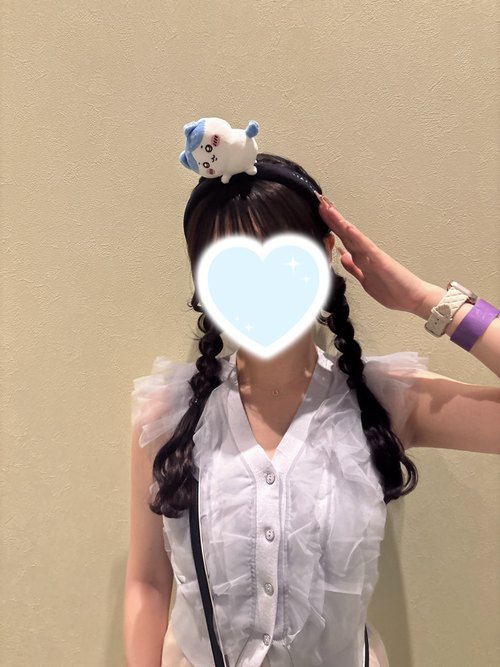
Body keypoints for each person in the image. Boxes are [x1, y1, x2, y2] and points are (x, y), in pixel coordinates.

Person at [123, 153, 500, 667]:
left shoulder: (385, 401)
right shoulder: (168, 415)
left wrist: (424, 300)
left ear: (324, 254)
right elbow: (147, 581)